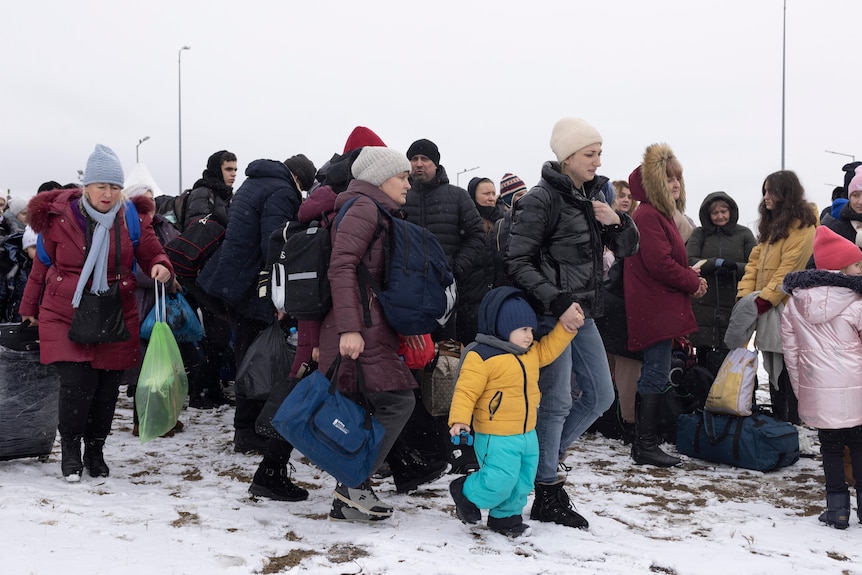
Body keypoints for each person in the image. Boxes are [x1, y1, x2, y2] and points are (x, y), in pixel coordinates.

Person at [506, 117, 639, 529]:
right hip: (552, 315)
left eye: (599, 153)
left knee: (600, 395)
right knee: (558, 401)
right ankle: (547, 487)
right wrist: (557, 302)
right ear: (567, 157)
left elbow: (628, 249)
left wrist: (618, 222)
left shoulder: (593, 197)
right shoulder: (540, 200)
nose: (598, 161)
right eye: (589, 153)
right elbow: (517, 261)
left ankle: (538, 463)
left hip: (586, 314)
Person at [19, 144, 173, 481]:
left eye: (115, 187)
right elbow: (41, 267)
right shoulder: (59, 218)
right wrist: (28, 308)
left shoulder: (130, 216)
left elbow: (151, 251)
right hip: (67, 309)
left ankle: (96, 451)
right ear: (86, 186)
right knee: (77, 383)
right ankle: (71, 450)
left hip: (114, 309)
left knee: (106, 389)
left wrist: (161, 266)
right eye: (102, 186)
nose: (109, 193)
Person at [315, 146, 427, 522]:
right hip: (359, 326)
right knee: (397, 402)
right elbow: (342, 266)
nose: (408, 184)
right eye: (402, 176)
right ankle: (352, 482)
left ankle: (348, 495)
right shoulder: (364, 208)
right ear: (381, 178)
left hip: (370, 324)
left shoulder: (375, 209)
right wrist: (349, 328)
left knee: (370, 406)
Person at [197, 151, 316, 496]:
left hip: (235, 279)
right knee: (256, 359)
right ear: (297, 179)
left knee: (246, 355)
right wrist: (277, 297)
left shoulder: (254, 182)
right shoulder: (281, 192)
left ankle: (246, 428)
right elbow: (275, 243)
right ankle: (249, 430)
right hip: (253, 285)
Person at [448, 287, 576, 537]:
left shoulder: (529, 353)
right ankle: (465, 490)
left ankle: (504, 519)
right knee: (499, 480)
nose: (529, 336)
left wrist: (566, 328)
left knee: (522, 481)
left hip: (527, 432)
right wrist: (460, 419)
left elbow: (550, 348)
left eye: (531, 329)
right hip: (496, 434)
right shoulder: (481, 355)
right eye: (522, 330)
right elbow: (465, 391)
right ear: (502, 327)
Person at [403, 138, 485, 473]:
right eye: (413, 159)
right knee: (410, 368)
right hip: (407, 301)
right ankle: (415, 443)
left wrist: (454, 270)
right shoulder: (402, 195)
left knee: (444, 371)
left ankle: (448, 444)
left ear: (436, 163)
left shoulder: (456, 197)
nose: (418, 164)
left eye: (424, 158)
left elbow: (477, 237)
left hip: (446, 302)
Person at [624, 143, 707, 467]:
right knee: (655, 374)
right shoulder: (648, 214)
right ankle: (645, 444)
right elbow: (660, 263)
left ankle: (646, 443)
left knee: (656, 373)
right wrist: (692, 280)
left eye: (678, 179)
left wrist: (688, 277)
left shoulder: (657, 214)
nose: (675, 185)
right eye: (668, 179)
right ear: (656, 183)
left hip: (658, 306)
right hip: (654, 308)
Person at [781, 226, 862, 529]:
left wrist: (801, 387)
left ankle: (837, 509)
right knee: (858, 443)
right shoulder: (857, 302)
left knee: (829, 447)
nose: (859, 269)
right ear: (840, 267)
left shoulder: (794, 304)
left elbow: (790, 351)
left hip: (816, 384)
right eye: (856, 264)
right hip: (856, 386)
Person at [737, 170, 816, 424]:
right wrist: (745, 298)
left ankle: (792, 424)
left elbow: (789, 270)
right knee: (772, 367)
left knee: (787, 369)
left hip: (785, 308)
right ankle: (781, 423)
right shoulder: (771, 225)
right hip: (767, 307)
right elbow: (753, 264)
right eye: (764, 191)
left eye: (771, 191)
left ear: (786, 194)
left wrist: (762, 300)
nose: (766, 197)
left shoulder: (802, 226)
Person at [177, 150, 238, 409]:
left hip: (217, 271)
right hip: (203, 273)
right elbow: (198, 232)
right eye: (228, 169)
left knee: (219, 336)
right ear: (216, 169)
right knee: (214, 335)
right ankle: (201, 393)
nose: (234, 174)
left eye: (235, 169)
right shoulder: (204, 193)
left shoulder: (225, 195)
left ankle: (209, 390)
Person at [686, 192, 756, 365]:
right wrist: (713, 263)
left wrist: (734, 266)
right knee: (704, 352)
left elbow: (755, 265)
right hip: (704, 302)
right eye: (715, 213)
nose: (720, 216)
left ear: (731, 211)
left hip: (733, 299)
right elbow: (690, 260)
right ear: (708, 215)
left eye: (724, 211)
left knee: (732, 351)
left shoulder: (744, 235)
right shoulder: (699, 234)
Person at [458, 177, 505, 344]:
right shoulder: (466, 222)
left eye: (493, 193)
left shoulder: (504, 222)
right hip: (471, 302)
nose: (491, 197)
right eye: (486, 193)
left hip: (499, 300)